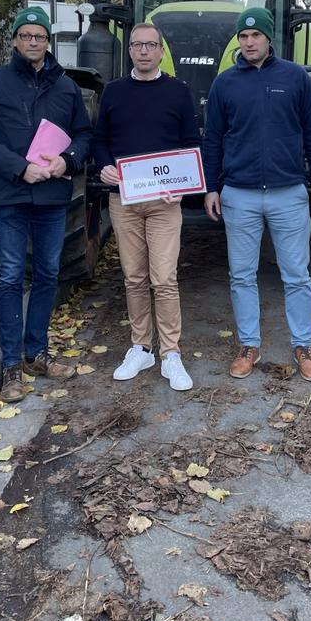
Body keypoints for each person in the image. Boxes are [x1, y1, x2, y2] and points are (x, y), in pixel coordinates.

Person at [0, 6, 92, 402]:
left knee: (48, 275)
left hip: (53, 196)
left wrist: (66, 161)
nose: (33, 42)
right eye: (26, 36)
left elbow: (84, 136)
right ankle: (10, 366)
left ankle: (36, 352)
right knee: (9, 277)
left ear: (48, 41)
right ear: (16, 40)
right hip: (11, 196)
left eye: (40, 36)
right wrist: (21, 168)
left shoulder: (66, 87)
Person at [202, 7, 311, 381]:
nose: (249, 42)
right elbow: (212, 140)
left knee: (296, 276)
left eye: (255, 36)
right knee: (242, 275)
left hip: (288, 193)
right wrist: (211, 187)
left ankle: (303, 346)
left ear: (268, 38)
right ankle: (248, 345)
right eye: (243, 36)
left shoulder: (295, 78)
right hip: (238, 194)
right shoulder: (225, 83)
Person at [93, 23, 200, 391]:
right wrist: (104, 166)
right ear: (130, 51)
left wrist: (183, 186)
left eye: (150, 45)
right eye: (137, 45)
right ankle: (141, 347)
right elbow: (100, 139)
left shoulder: (178, 92)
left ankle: (171, 353)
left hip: (164, 202)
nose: (143, 51)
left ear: (160, 50)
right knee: (134, 278)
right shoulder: (113, 92)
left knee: (164, 279)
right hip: (123, 199)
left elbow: (190, 143)